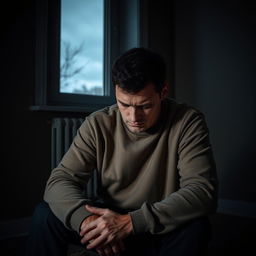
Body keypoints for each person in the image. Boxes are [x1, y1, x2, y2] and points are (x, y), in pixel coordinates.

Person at [26, 47, 218, 256]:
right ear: (116, 90)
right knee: (44, 214)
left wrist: (130, 223)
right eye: (124, 104)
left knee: (196, 227)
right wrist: (88, 222)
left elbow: (202, 191)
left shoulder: (188, 122)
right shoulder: (98, 123)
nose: (133, 116)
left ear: (163, 92)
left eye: (145, 106)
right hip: (111, 215)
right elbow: (59, 181)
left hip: (160, 222)